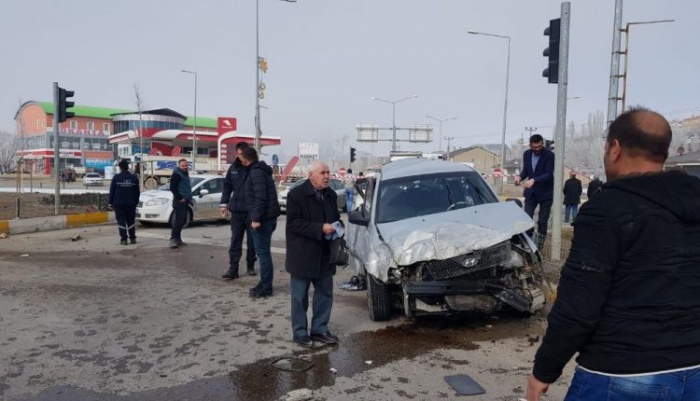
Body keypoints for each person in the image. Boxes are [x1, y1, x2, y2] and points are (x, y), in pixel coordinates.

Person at [527, 107, 700, 401]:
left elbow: (578, 307)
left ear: (615, 148)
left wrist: (543, 371)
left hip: (622, 374)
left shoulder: (607, 209)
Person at [285, 160, 341, 348]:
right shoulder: (296, 195)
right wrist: (320, 228)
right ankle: (300, 333)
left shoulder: (331, 195)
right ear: (311, 175)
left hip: (325, 253)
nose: (327, 176)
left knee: (325, 293)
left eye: (328, 172)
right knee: (299, 297)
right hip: (303, 254)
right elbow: (293, 224)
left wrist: (338, 227)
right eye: (322, 173)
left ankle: (320, 330)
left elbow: (335, 218)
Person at [239, 147, 280, 298]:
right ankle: (264, 283)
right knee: (264, 253)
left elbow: (260, 197)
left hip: (262, 220)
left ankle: (266, 287)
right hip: (267, 218)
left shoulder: (256, 172)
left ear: (244, 158)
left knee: (263, 254)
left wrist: (255, 219)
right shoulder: (260, 171)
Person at [219, 142, 257, 280]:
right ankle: (233, 268)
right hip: (236, 211)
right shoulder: (233, 168)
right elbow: (227, 187)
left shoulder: (254, 168)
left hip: (251, 212)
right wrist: (224, 205)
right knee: (235, 240)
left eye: (244, 154)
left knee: (252, 240)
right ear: (237, 153)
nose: (242, 157)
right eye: (240, 154)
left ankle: (251, 265)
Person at [514, 134, 555, 244]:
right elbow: (526, 171)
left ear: (542, 144)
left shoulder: (549, 155)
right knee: (527, 219)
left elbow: (549, 174)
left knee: (542, 221)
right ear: (530, 145)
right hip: (531, 193)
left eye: (539, 146)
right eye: (534, 147)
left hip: (546, 193)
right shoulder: (526, 154)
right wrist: (520, 177)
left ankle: (540, 247)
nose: (537, 149)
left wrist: (534, 180)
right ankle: (528, 244)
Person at [108, 159, 140, 245]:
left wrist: (110, 202)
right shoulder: (134, 177)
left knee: (121, 221)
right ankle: (132, 239)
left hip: (118, 203)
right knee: (131, 221)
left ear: (120, 167)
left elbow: (112, 191)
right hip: (131, 203)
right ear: (127, 167)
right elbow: (137, 192)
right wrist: (136, 202)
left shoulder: (116, 177)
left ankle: (124, 239)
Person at [169, 159, 192, 249]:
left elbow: (186, 187)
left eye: (186, 165)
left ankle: (178, 239)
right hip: (179, 201)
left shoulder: (185, 174)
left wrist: (189, 199)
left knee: (183, 220)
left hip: (185, 200)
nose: (185, 167)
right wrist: (180, 198)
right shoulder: (176, 174)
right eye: (183, 166)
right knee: (178, 221)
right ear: (179, 166)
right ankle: (173, 239)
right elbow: (172, 188)